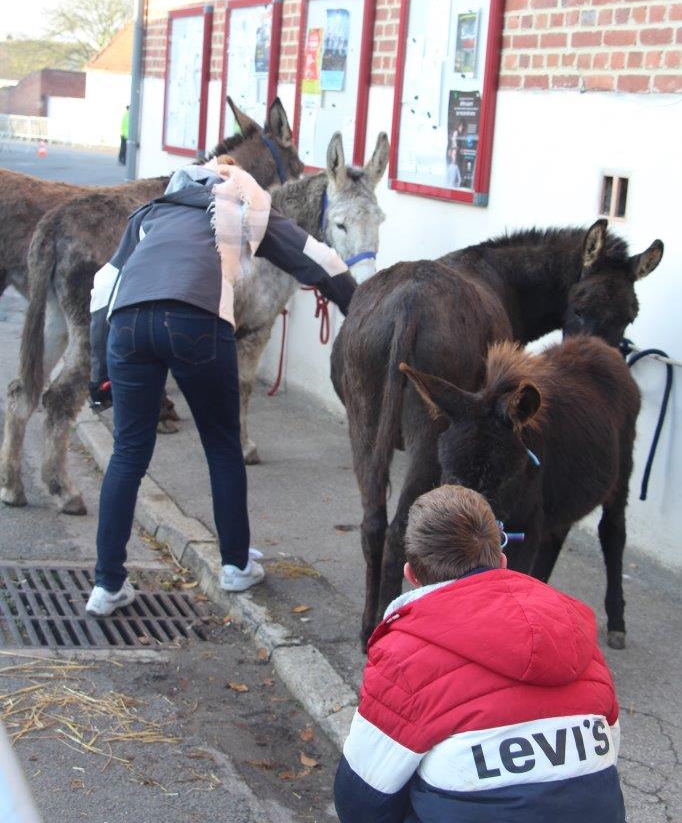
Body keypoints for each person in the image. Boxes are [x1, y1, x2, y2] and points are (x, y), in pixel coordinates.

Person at [86, 156, 356, 616]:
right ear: (232, 180)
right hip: (195, 318)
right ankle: (234, 565)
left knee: (129, 453)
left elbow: (104, 285)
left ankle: (106, 585)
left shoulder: (150, 214)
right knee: (222, 445)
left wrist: (99, 372)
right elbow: (317, 258)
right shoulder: (240, 205)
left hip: (127, 325)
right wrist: (361, 307)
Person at [335, 484, 625, 823]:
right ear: (501, 561)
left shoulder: (404, 652)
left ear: (411, 576)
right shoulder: (575, 629)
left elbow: (361, 800)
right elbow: (608, 752)